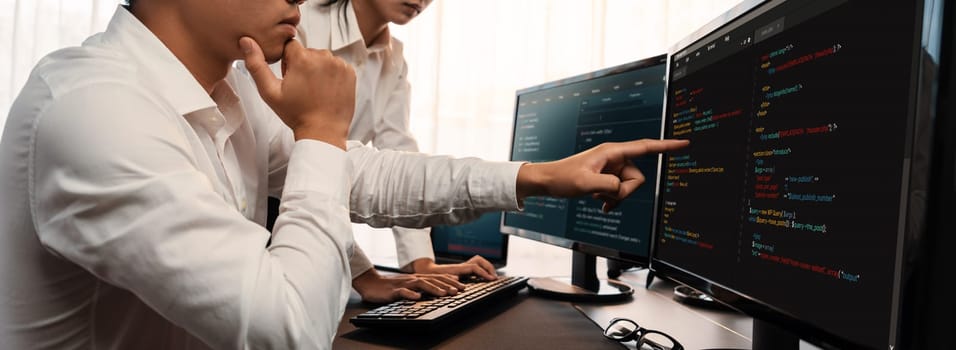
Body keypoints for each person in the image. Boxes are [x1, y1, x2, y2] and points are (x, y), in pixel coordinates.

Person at [0, 1, 688, 349]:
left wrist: (537, 176)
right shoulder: (98, 111)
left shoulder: (226, 89)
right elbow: (288, 329)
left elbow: (362, 173)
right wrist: (320, 129)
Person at [286, 0, 500, 302]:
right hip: (272, 231)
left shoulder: (394, 58)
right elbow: (291, 171)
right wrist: (365, 276)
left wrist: (421, 262)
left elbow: (400, 154)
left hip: (319, 235)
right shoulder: (296, 23)